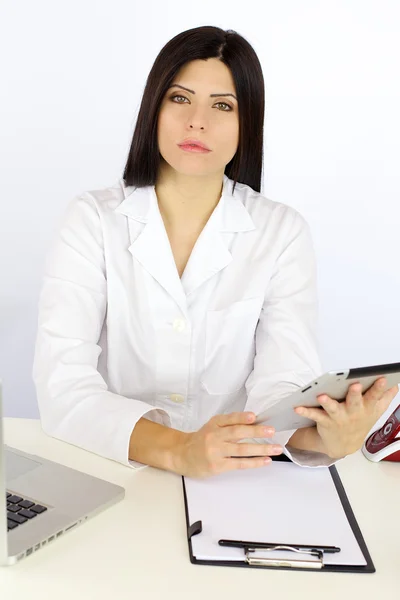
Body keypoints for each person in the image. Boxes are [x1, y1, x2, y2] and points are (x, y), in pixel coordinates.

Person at [32, 25, 398, 479]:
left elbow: (281, 391)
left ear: (248, 125)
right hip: (110, 471)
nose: (196, 122)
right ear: (154, 108)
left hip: (231, 482)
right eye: (180, 99)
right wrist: (179, 450)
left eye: (222, 105)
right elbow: (63, 387)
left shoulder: (280, 232)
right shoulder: (91, 219)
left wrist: (329, 437)